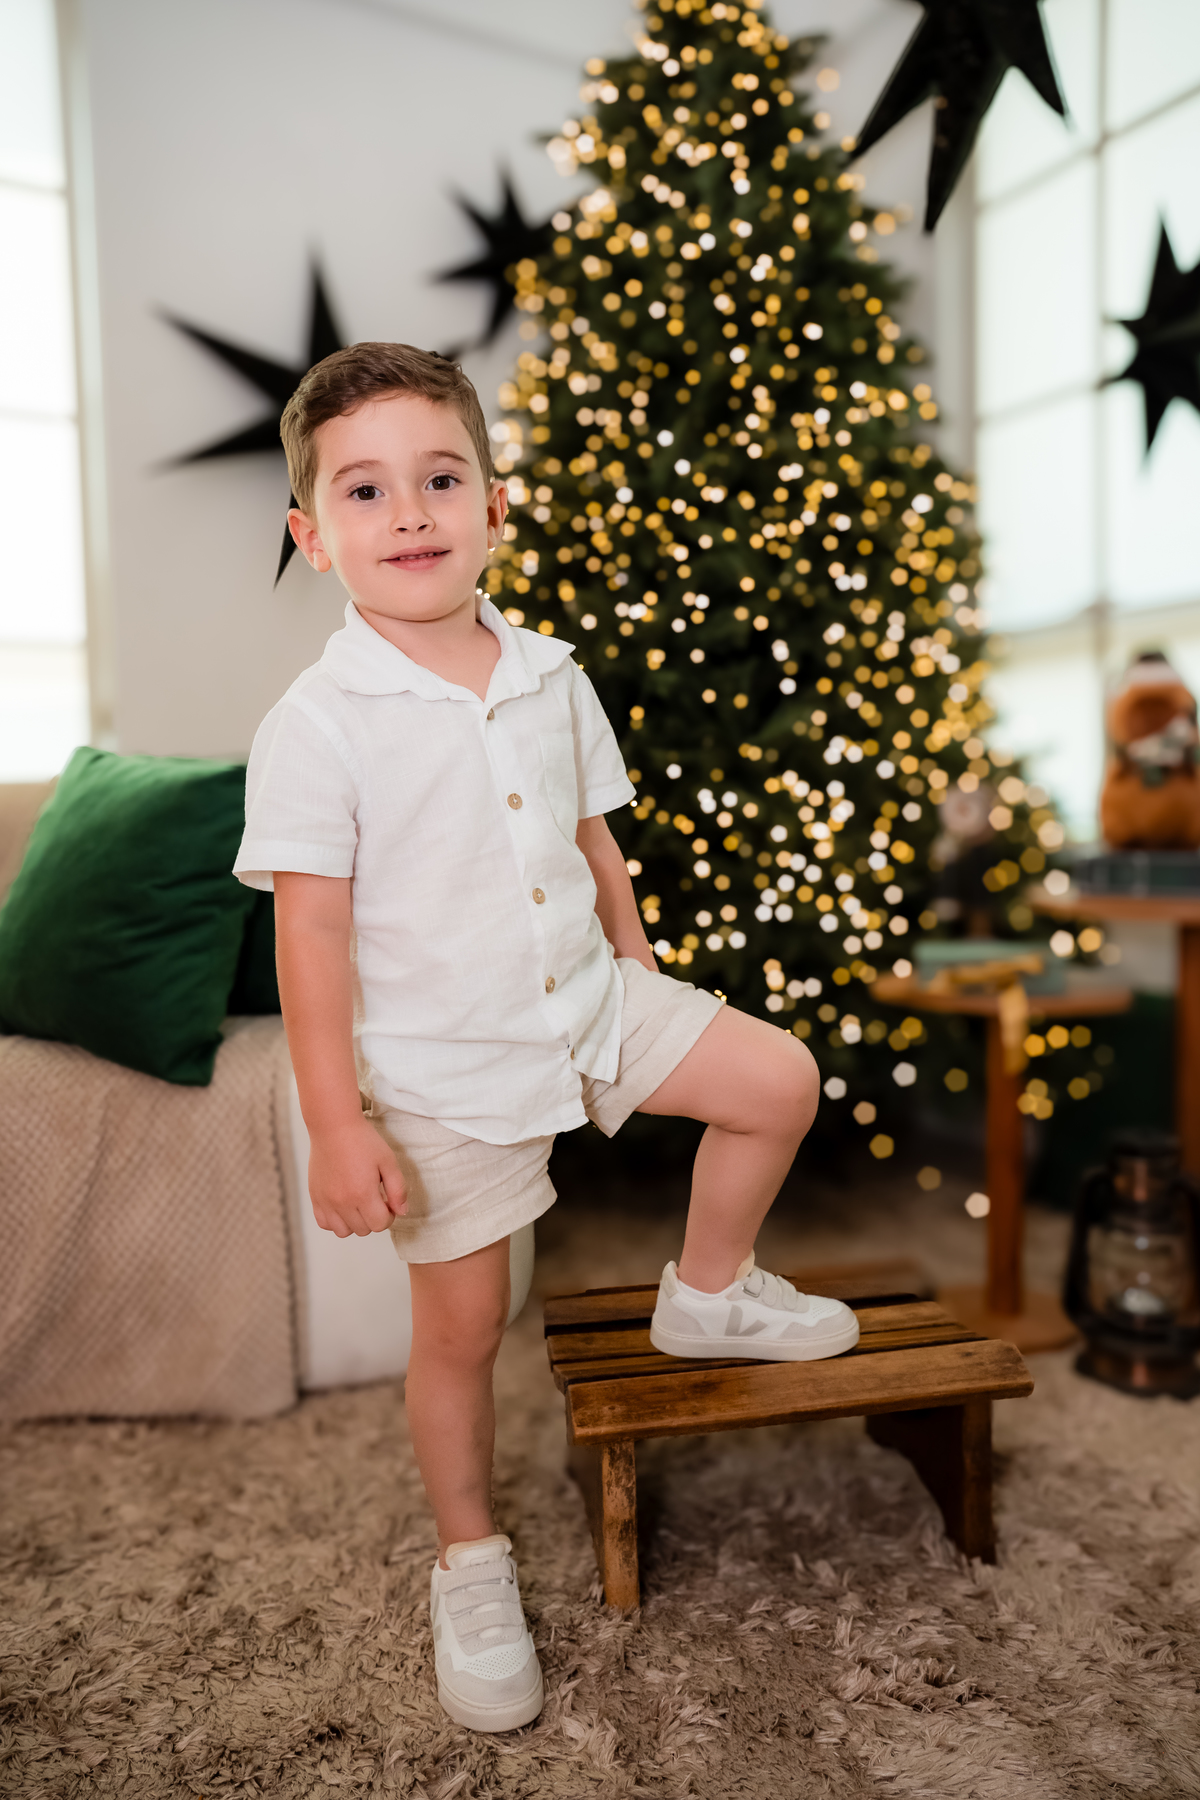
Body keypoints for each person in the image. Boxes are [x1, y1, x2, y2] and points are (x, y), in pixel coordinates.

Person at [234, 342, 858, 1734]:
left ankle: (708, 1289)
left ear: (495, 506)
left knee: (777, 1079)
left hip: (589, 998)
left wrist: (640, 978)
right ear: (313, 537)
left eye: (440, 478)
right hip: (445, 1068)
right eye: (365, 491)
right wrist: (337, 1121)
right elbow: (310, 938)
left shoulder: (552, 673)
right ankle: (469, 1557)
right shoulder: (316, 725)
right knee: (467, 1326)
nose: (410, 513)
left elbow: (591, 839)